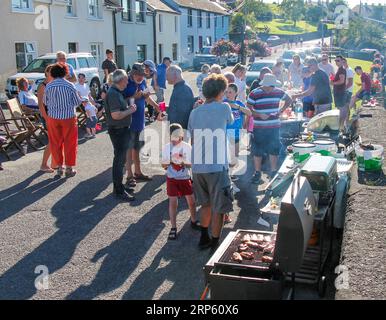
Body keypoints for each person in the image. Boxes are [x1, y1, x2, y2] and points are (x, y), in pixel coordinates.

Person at [188, 74, 234, 250]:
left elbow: (192, 137)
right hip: (217, 166)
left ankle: (203, 237)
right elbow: (230, 121)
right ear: (221, 92)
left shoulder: (194, 112)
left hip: (198, 167)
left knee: (205, 204)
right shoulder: (224, 108)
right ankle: (215, 243)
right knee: (220, 207)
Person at [247, 74, 292, 184]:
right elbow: (248, 108)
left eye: (273, 86)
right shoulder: (254, 93)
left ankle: (273, 171)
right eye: (270, 87)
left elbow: (289, 99)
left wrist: (281, 110)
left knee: (274, 149)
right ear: (265, 85)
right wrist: (258, 114)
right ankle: (257, 172)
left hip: (274, 126)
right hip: (258, 126)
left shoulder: (278, 91)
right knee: (257, 150)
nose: (272, 89)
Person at [123, 63, 160, 187]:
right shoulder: (126, 83)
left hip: (139, 120)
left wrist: (156, 106)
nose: (141, 77)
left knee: (137, 148)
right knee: (128, 149)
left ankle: (138, 173)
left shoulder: (143, 82)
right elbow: (119, 102)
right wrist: (134, 96)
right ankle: (129, 176)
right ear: (132, 74)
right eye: (138, 75)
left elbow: (146, 98)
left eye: (143, 75)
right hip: (129, 121)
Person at [161, 123, 199, 240]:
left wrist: (182, 163)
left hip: (184, 177)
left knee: (191, 202)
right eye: (173, 138)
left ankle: (193, 220)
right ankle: (173, 227)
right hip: (172, 178)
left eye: (179, 137)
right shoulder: (167, 147)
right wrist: (170, 162)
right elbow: (163, 165)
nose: (176, 140)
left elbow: (192, 164)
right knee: (173, 203)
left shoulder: (187, 146)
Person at [43, 63, 81, 178]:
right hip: (68, 117)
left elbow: (45, 102)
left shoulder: (49, 86)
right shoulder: (70, 85)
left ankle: (59, 167)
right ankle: (69, 167)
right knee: (70, 142)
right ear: (65, 72)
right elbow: (76, 102)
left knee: (55, 142)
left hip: (53, 117)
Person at [105, 69, 137, 201]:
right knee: (119, 161)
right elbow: (116, 115)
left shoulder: (116, 92)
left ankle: (119, 187)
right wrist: (130, 110)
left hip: (121, 129)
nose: (128, 82)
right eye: (126, 80)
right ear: (122, 81)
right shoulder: (113, 93)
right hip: (118, 130)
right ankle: (118, 191)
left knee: (120, 160)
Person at [224, 83, 252, 192]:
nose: (228, 94)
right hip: (226, 133)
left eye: (230, 92)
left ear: (236, 93)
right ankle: (228, 176)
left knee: (235, 155)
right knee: (228, 156)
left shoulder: (239, 103)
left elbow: (249, 113)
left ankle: (230, 174)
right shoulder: (223, 103)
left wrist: (238, 107)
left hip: (237, 133)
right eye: (226, 92)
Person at [37, 64, 56, 173]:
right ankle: (44, 164)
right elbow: (40, 105)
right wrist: (46, 118)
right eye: (51, 71)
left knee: (56, 140)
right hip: (47, 116)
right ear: (47, 72)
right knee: (53, 141)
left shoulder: (52, 84)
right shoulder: (42, 86)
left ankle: (54, 163)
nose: (52, 73)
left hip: (54, 115)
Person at [165, 65, 196, 130]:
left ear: (175, 75)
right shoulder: (180, 87)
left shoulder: (183, 90)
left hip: (179, 131)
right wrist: (166, 108)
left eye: (167, 75)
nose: (166, 78)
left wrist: (177, 132)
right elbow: (178, 108)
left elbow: (183, 114)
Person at [331, 56, 347, 129]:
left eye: (338, 60)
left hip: (340, 93)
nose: (336, 62)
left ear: (342, 61)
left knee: (341, 109)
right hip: (339, 92)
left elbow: (342, 81)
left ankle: (341, 126)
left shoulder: (341, 70)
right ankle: (341, 126)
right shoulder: (339, 69)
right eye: (336, 60)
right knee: (340, 109)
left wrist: (332, 83)